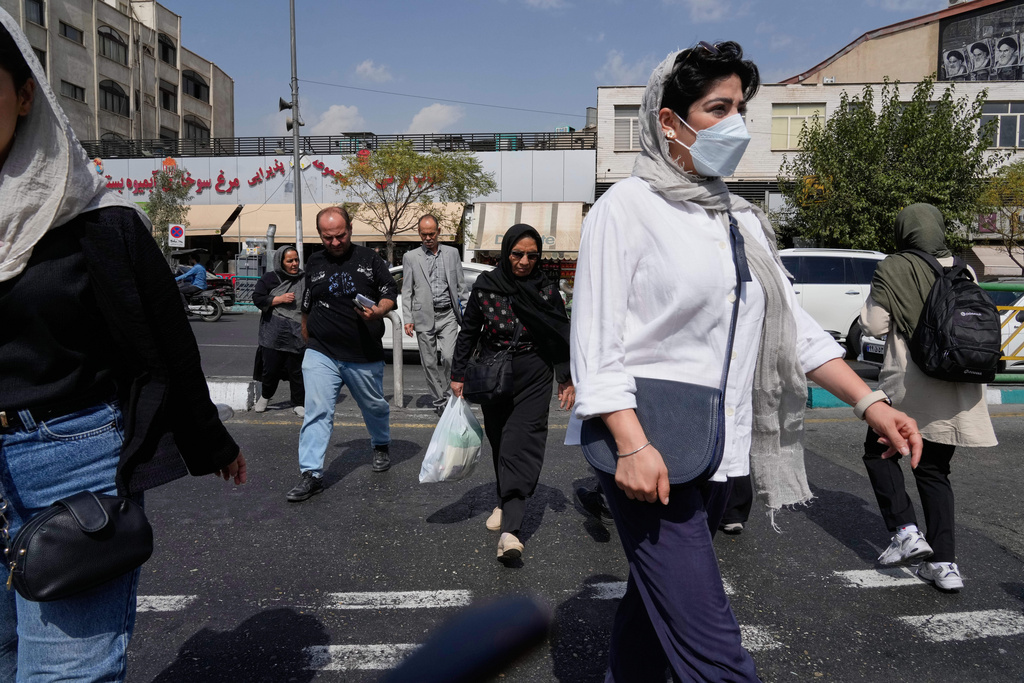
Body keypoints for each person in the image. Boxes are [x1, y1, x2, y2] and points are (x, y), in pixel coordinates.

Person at [568, 41, 923, 681]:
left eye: (740, 107)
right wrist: (629, 443)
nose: (736, 124)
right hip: (652, 450)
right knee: (717, 653)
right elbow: (595, 341)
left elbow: (793, 331)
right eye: (717, 107)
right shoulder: (628, 208)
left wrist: (871, 403)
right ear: (667, 121)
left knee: (652, 613)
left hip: (717, 452)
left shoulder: (741, 219)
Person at [0, 14, 246, 681]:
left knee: (66, 671)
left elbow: (166, 345)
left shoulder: (97, 224)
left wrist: (211, 442)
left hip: (69, 463)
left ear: (25, 95)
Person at [860, 203, 997, 592]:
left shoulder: (894, 265)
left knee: (879, 450)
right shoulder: (962, 267)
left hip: (912, 382)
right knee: (934, 471)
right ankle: (945, 565)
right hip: (956, 383)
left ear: (904, 230)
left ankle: (905, 531)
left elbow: (875, 324)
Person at [450, 224, 575, 563]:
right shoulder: (487, 286)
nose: (524, 261)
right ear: (505, 252)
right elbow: (469, 331)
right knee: (501, 440)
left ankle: (511, 531)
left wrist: (565, 378)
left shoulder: (546, 290)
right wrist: (458, 373)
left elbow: (558, 334)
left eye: (532, 256)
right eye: (517, 254)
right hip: (494, 372)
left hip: (534, 372)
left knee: (523, 441)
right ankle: (505, 500)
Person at [285, 206, 398, 502]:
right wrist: (307, 337)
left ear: (350, 228)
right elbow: (308, 303)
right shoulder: (314, 261)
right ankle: (311, 474)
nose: (335, 242)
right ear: (320, 235)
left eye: (340, 235)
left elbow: (390, 292)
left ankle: (381, 444)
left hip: (363, 353)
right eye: (327, 237)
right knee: (318, 411)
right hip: (321, 352)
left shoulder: (370, 259)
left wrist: (379, 311)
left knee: (374, 406)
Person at [402, 214, 466, 417]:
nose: (428, 238)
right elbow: (407, 290)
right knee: (429, 362)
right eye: (424, 234)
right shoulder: (411, 257)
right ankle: (439, 400)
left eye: (431, 233)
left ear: (438, 232)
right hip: (423, 315)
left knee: (449, 357)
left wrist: (465, 315)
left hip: (448, 315)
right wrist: (408, 318)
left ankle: (449, 394)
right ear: (419, 234)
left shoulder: (452, 253)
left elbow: (461, 286)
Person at [252, 245, 306, 417]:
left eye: (296, 260)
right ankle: (265, 397)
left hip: (297, 331)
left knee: (297, 370)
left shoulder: (304, 278)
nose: (294, 264)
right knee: (271, 369)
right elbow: (257, 298)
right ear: (280, 262)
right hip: (273, 332)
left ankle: (298, 403)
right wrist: (278, 299)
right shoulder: (270, 278)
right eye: (290, 261)